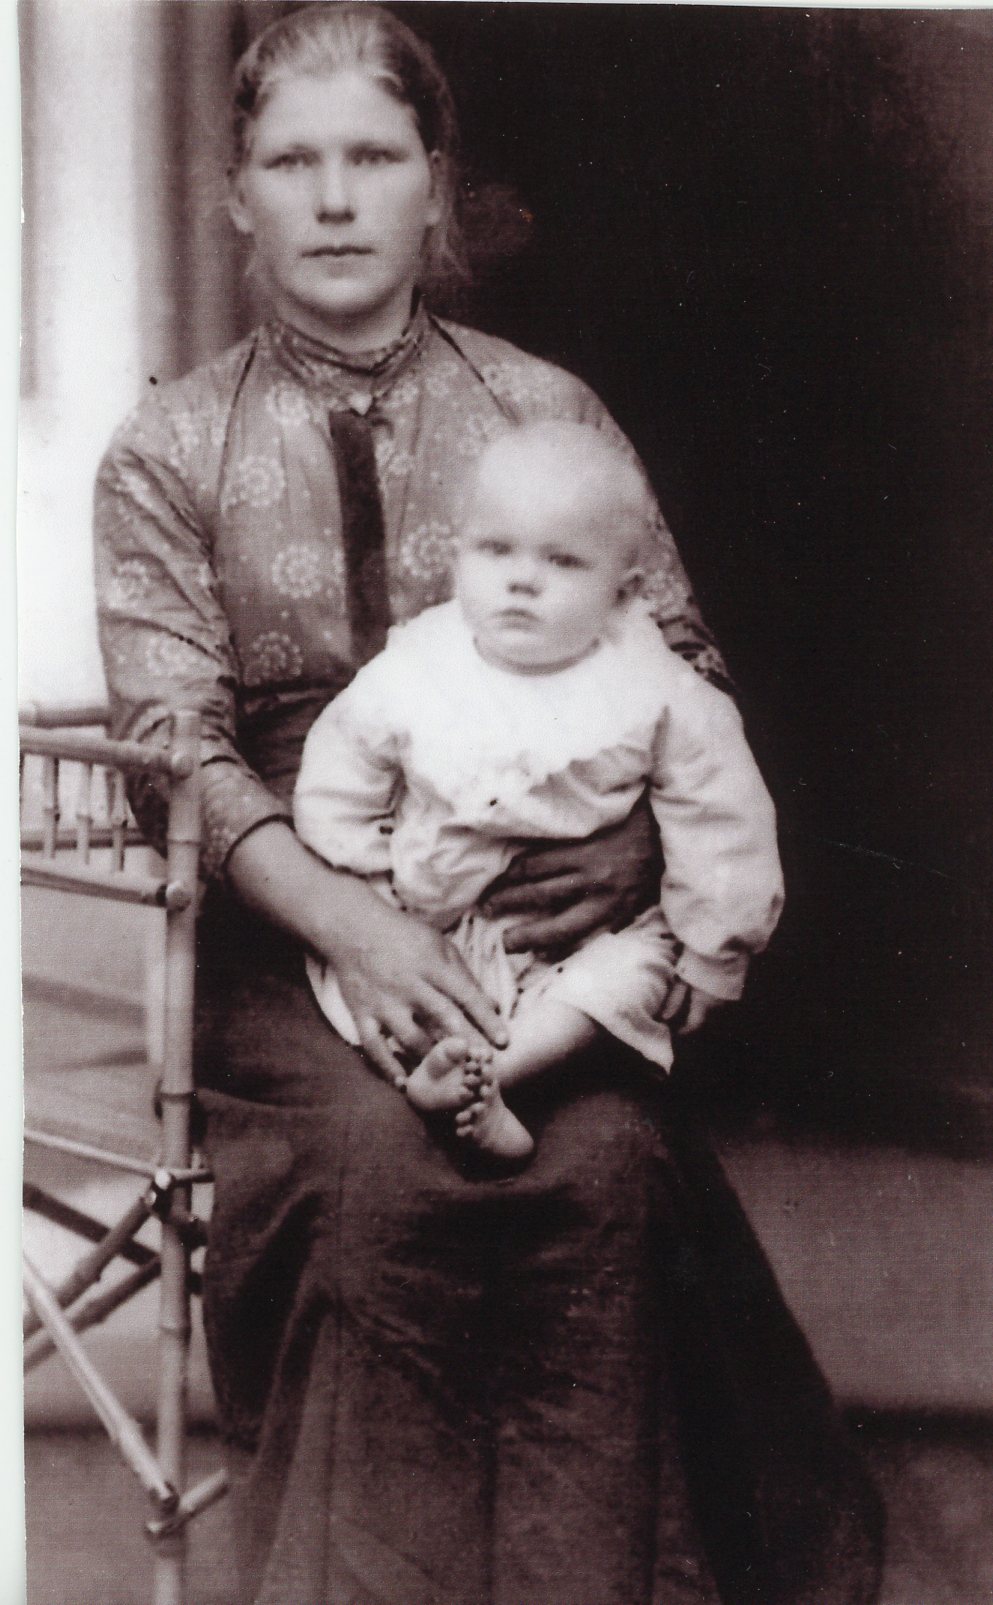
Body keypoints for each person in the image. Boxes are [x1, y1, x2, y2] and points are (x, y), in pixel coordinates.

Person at [94, 6, 883, 1602]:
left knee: (596, 1164)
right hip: (291, 923)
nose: (335, 199)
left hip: (550, 916)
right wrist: (358, 923)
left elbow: (679, 669)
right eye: (292, 162)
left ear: (434, 183)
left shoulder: (547, 413)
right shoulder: (168, 447)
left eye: (372, 157)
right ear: (236, 192)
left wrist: (617, 851)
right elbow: (174, 745)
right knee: (381, 1163)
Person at [294, 420, 785, 1165]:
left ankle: (493, 1076)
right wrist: (367, 882)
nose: (522, 580)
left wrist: (717, 946)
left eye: (562, 560)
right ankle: (446, 1061)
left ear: (623, 591)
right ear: (458, 555)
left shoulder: (653, 686)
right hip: (431, 923)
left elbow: (721, 812)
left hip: (584, 941)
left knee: (633, 973)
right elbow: (340, 769)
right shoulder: (419, 666)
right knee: (386, 994)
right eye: (496, 550)